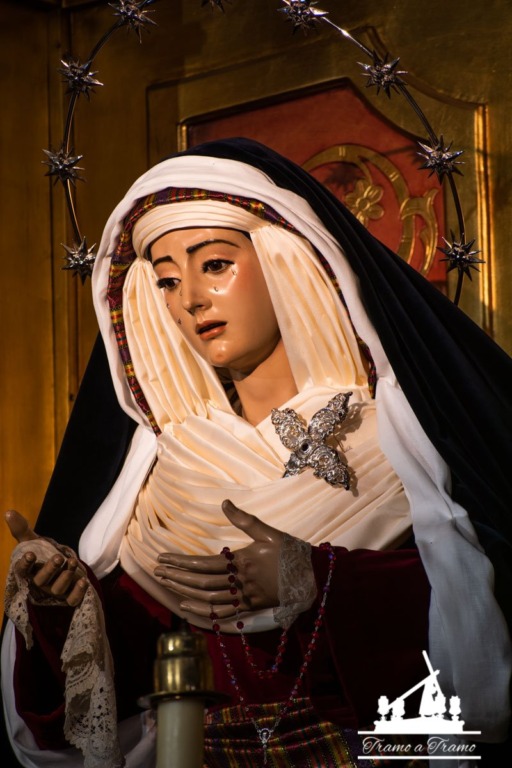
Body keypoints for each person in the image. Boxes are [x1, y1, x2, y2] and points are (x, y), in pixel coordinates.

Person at [2, 138, 511, 768]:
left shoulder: (403, 440)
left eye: (215, 264)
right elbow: (108, 700)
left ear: (284, 261)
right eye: (167, 281)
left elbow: (485, 614)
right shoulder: (160, 478)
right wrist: (63, 605)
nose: (190, 298)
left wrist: (320, 579)